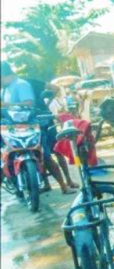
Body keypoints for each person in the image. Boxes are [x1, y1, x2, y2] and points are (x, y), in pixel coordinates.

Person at [1, 61, 76, 194]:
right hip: (17, 128)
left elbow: (29, 103)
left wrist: (47, 106)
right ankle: (45, 183)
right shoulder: (6, 88)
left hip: (38, 123)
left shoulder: (23, 84)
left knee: (48, 153)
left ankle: (65, 183)